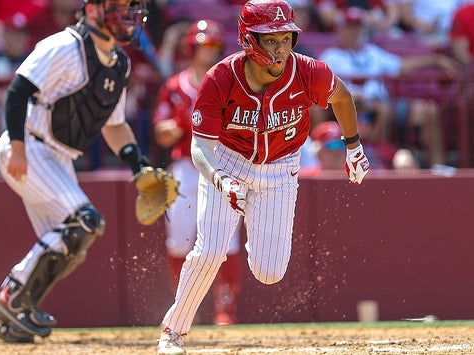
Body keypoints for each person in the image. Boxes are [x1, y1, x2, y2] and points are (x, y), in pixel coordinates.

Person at [156, 1, 370, 354]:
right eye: (270, 40)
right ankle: (173, 332)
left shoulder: (308, 71)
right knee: (209, 250)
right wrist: (221, 179)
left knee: (270, 271)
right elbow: (199, 148)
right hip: (227, 161)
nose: (280, 48)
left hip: (281, 167)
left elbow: (342, 97)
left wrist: (354, 147)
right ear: (248, 39)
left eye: (285, 38)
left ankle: (255, 232)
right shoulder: (221, 77)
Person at [0, 0, 152, 343]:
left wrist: (138, 165)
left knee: (74, 244)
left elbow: (115, 126)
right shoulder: (63, 45)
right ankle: (10, 300)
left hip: (59, 157)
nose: (130, 15)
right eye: (121, 6)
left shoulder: (120, 64)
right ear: (96, 9)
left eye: (133, 7)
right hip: (28, 145)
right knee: (84, 222)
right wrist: (19, 149)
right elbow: (18, 90)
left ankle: (12, 310)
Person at [153, 19, 242, 326]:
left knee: (226, 244)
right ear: (191, 48)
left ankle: (224, 312)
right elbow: (161, 134)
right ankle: (184, 308)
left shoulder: (231, 84)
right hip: (186, 169)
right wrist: (181, 122)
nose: (210, 52)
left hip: (222, 166)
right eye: (205, 46)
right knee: (179, 242)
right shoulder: (176, 86)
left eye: (215, 46)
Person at [318, 7, 459, 167]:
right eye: (349, 27)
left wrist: (435, 59)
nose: (354, 32)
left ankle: (438, 167)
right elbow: (322, 87)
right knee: (381, 110)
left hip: (380, 103)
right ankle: (378, 161)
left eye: (357, 27)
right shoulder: (330, 56)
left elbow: (401, 65)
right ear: (340, 29)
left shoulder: (372, 52)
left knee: (428, 111)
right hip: (347, 107)